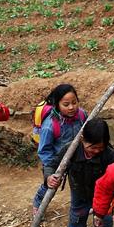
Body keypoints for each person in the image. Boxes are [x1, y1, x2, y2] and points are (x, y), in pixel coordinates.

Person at [45, 118, 114, 227]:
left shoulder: (109, 154)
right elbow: (52, 164)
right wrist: (49, 176)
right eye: (92, 147)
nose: (96, 151)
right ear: (82, 138)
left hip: (103, 195)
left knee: (105, 217)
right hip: (79, 190)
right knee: (77, 214)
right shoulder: (70, 150)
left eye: (100, 147)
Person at [33, 84, 87, 214]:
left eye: (74, 102)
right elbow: (44, 150)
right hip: (57, 160)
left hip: (77, 158)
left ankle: (83, 206)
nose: (71, 107)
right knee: (50, 184)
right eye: (66, 104)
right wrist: (50, 171)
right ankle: (38, 203)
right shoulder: (50, 125)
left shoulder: (82, 115)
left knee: (82, 183)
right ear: (57, 105)